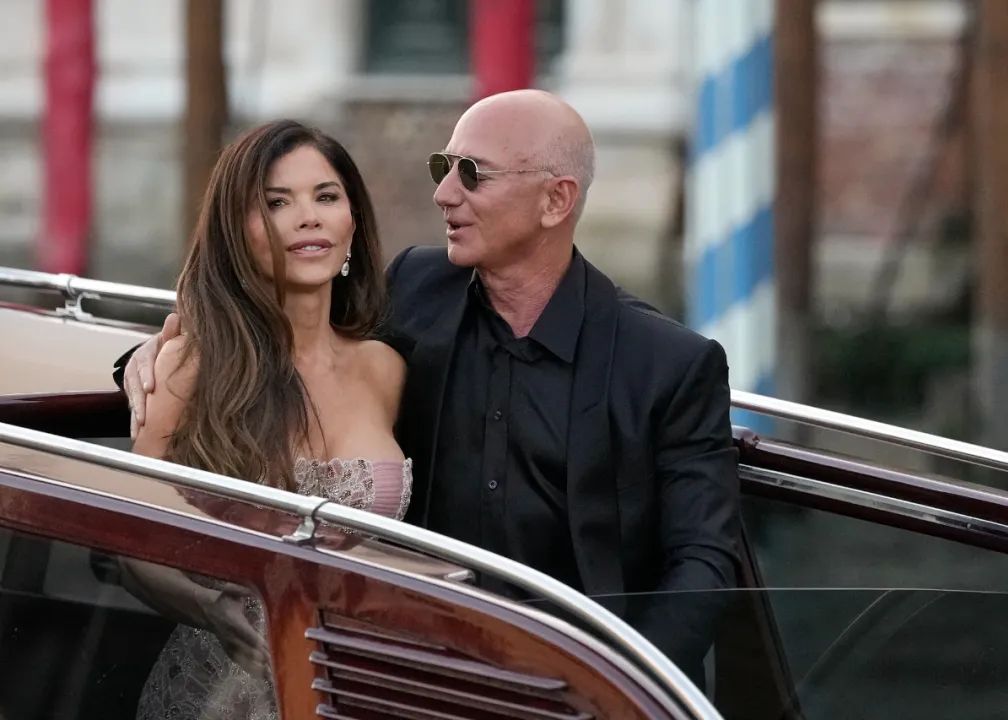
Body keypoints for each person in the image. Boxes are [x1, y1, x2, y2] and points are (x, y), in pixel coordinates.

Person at [123, 90, 740, 685]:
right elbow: (283, 348)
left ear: (556, 200)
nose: (443, 193)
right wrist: (149, 356)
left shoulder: (669, 364)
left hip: (572, 681)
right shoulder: (416, 289)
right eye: (443, 168)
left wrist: (621, 693)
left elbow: (706, 564)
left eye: (472, 173)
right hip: (400, 668)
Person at [118, 119, 409, 720]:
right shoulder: (188, 367)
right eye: (277, 203)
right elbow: (131, 547)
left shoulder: (386, 368)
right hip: (219, 693)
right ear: (237, 230)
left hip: (353, 688)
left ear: (353, 221)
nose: (308, 218)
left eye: (326, 197)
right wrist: (207, 608)